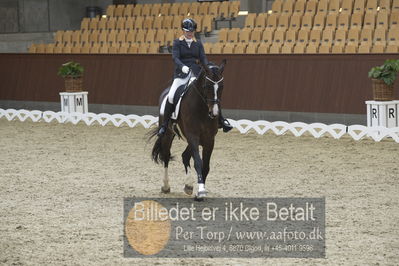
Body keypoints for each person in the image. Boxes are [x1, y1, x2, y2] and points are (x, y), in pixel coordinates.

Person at [157, 18, 233, 137]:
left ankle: (222, 120)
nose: (190, 33)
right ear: (183, 30)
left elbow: (203, 58)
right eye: (188, 31)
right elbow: (175, 58)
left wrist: (208, 67)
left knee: (211, 93)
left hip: (196, 73)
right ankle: (164, 124)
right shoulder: (177, 42)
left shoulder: (198, 43)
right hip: (181, 74)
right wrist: (182, 67)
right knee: (171, 96)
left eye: (192, 31)